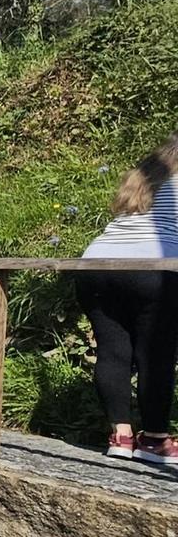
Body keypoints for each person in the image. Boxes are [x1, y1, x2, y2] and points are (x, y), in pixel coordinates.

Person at [78, 133, 178, 467]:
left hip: (96, 263)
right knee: (156, 353)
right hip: (154, 267)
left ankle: (120, 437)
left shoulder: (146, 176)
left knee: (113, 350)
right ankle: (154, 440)